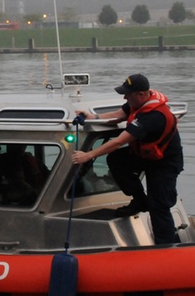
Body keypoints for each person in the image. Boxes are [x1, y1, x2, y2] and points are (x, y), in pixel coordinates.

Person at [72, 74, 183, 244]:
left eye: (127, 94)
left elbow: (119, 142)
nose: (124, 97)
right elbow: (118, 115)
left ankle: (166, 245)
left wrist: (88, 156)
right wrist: (91, 117)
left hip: (164, 162)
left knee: (158, 205)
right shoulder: (137, 102)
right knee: (117, 160)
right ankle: (139, 200)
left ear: (141, 94)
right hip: (146, 155)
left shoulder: (152, 117)